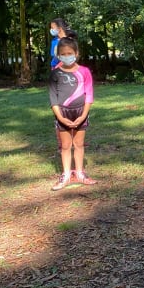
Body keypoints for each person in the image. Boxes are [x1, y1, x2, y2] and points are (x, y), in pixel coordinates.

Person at [48, 36, 96, 191]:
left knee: (79, 144)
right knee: (66, 145)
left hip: (81, 112)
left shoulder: (85, 71)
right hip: (62, 114)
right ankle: (67, 174)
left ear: (76, 53)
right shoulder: (55, 73)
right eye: (63, 53)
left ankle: (80, 173)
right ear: (58, 55)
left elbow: (89, 95)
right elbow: (53, 98)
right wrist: (60, 117)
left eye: (70, 53)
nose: (67, 56)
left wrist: (83, 115)